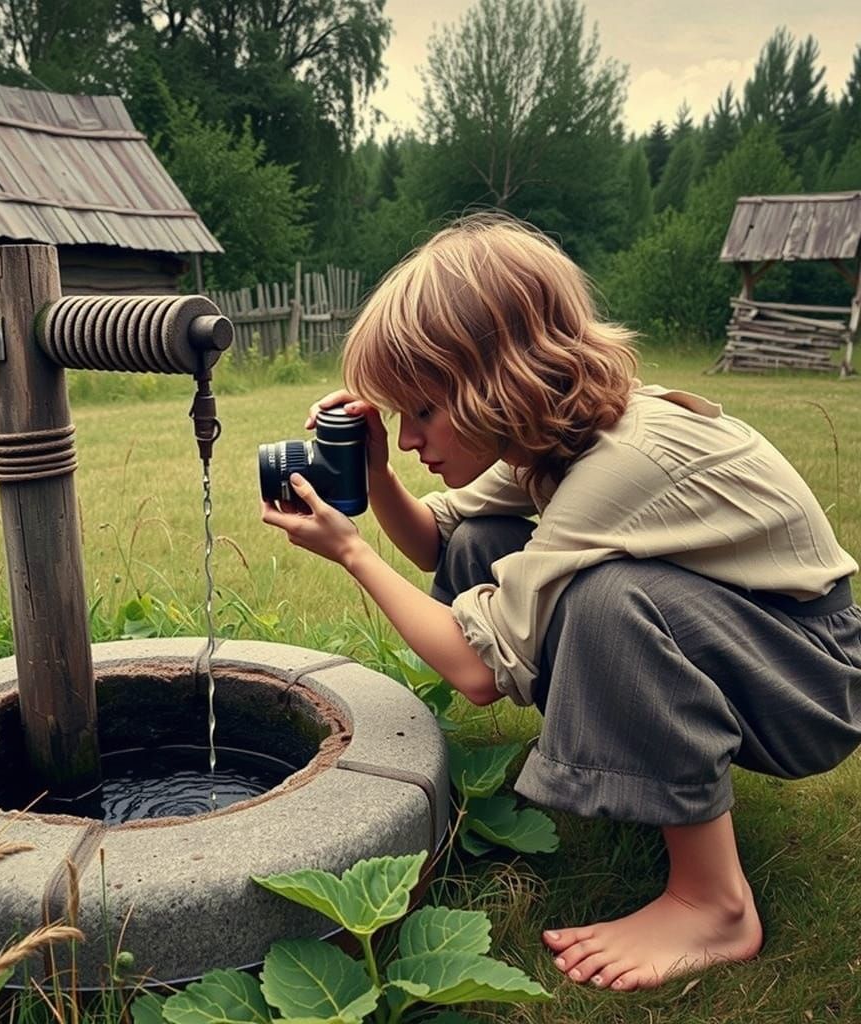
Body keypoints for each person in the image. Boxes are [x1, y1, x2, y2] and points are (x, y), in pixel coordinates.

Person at [260, 212, 861, 992]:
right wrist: (376, 475)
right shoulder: (553, 431)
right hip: (752, 642)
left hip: (810, 678)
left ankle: (714, 902)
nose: (410, 437)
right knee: (483, 539)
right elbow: (445, 545)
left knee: (610, 600)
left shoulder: (625, 459)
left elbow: (477, 669)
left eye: (425, 411)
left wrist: (351, 552)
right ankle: (643, 779)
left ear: (495, 385)